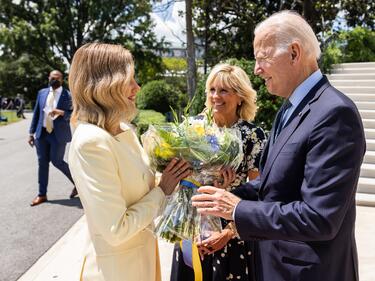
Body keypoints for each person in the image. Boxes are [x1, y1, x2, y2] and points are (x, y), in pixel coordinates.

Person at [192, 10, 365, 281]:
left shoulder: (334, 113)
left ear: (294, 53)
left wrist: (237, 209)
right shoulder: (289, 108)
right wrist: (222, 195)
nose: (257, 69)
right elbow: (271, 186)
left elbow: (319, 217)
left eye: (262, 58)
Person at [67, 42, 191, 281]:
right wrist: (163, 189)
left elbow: (142, 184)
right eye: (130, 79)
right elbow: (116, 229)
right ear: (105, 85)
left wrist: (185, 173)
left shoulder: (124, 129)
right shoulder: (90, 143)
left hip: (141, 262)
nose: (137, 87)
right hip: (116, 272)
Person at [171, 64, 266, 281]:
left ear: (240, 97)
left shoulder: (253, 135)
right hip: (191, 227)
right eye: (212, 90)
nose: (216, 96)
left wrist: (227, 233)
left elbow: (259, 193)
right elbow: (180, 180)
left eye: (224, 90)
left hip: (232, 234)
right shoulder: (193, 128)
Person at [28, 70, 77, 206]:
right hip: (42, 133)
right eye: (52, 78)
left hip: (58, 134)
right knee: (42, 162)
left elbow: (75, 113)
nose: (54, 80)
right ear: (49, 78)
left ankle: (78, 184)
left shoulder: (68, 95)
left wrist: (61, 112)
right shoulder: (42, 93)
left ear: (62, 80)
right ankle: (41, 194)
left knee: (57, 161)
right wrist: (31, 133)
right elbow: (37, 113)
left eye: (57, 78)